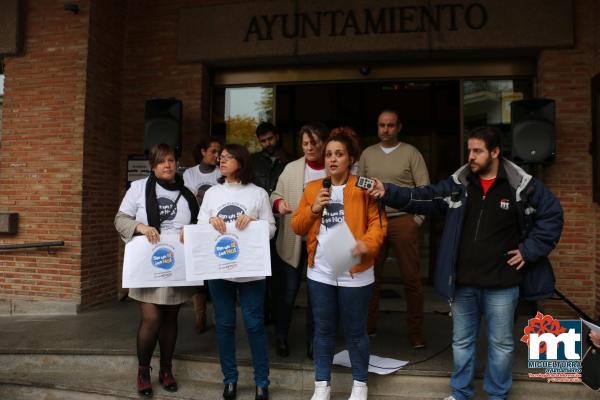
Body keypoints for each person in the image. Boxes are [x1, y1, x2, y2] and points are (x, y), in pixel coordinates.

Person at [367, 126, 564, 400]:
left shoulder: (521, 185)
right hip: (462, 284)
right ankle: (461, 394)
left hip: (502, 284)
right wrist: (387, 191)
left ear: (495, 152)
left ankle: (497, 395)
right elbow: (426, 197)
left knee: (502, 344)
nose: (470, 156)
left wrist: (529, 250)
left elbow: (552, 215)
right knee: (461, 343)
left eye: (477, 151)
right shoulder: (459, 185)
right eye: (469, 150)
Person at [291, 130, 387, 400]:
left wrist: (365, 245)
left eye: (339, 154)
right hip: (320, 271)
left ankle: (360, 385)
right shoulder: (313, 189)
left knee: (356, 331)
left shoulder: (364, 187)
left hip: (355, 272)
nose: (332, 159)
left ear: (351, 158)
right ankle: (322, 385)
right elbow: (297, 226)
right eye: (329, 154)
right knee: (323, 329)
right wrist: (313, 210)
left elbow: (378, 226)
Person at [114, 143, 199, 397]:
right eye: (162, 161)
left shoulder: (187, 193)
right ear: (153, 165)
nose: (167, 165)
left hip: (177, 264)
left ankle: (166, 370)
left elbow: (198, 222)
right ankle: (143, 371)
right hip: (148, 265)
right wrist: (141, 227)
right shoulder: (139, 189)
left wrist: (191, 230)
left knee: (171, 319)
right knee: (152, 319)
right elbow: (120, 219)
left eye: (171, 160)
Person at [199, 143, 276, 400]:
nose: (222, 161)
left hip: (251, 270)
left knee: (254, 325)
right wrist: (210, 221)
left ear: (241, 162)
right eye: (221, 157)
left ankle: (262, 382)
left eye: (228, 157)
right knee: (224, 324)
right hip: (219, 269)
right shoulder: (212, 193)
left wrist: (255, 223)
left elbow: (272, 229)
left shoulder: (258, 194)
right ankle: (230, 379)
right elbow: (200, 226)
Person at [359, 108, 430, 348]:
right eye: (381, 125)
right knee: (370, 278)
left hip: (403, 221)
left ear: (399, 127)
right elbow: (359, 188)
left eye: (390, 125)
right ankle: (368, 327)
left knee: (411, 279)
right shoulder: (367, 155)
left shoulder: (411, 153)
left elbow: (424, 190)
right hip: (374, 221)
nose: (385, 129)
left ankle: (416, 332)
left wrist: (416, 220)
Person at [270, 122, 328, 358]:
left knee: (317, 295)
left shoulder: (332, 168)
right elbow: (275, 194)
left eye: (314, 142)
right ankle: (281, 337)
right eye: (305, 143)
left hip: (323, 242)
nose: (309, 147)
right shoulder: (292, 169)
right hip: (293, 240)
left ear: (323, 143)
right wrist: (279, 203)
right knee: (287, 293)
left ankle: (313, 342)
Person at [251, 121, 289, 325]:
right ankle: (263, 315)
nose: (268, 143)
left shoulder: (289, 161)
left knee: (280, 277)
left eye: (270, 139)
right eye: (263, 140)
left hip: (284, 224)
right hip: (258, 225)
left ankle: (279, 318)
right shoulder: (253, 161)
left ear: (277, 137)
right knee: (260, 275)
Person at [183, 138, 222, 334]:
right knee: (199, 277)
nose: (217, 156)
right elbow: (189, 199)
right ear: (202, 151)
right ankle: (200, 315)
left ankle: (217, 316)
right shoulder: (190, 174)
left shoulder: (221, 173)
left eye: (219, 152)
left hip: (216, 230)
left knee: (216, 273)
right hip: (196, 227)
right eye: (213, 151)